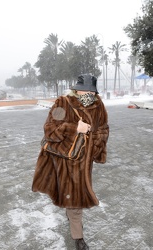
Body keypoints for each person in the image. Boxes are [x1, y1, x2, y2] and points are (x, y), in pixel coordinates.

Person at [32, 74, 109, 250]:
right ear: (76, 89)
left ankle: (75, 226)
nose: (87, 93)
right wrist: (75, 128)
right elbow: (50, 130)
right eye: (84, 89)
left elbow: (104, 128)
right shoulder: (63, 103)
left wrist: (96, 146)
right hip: (64, 163)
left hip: (85, 163)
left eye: (91, 90)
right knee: (74, 200)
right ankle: (78, 237)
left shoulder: (99, 105)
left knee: (74, 200)